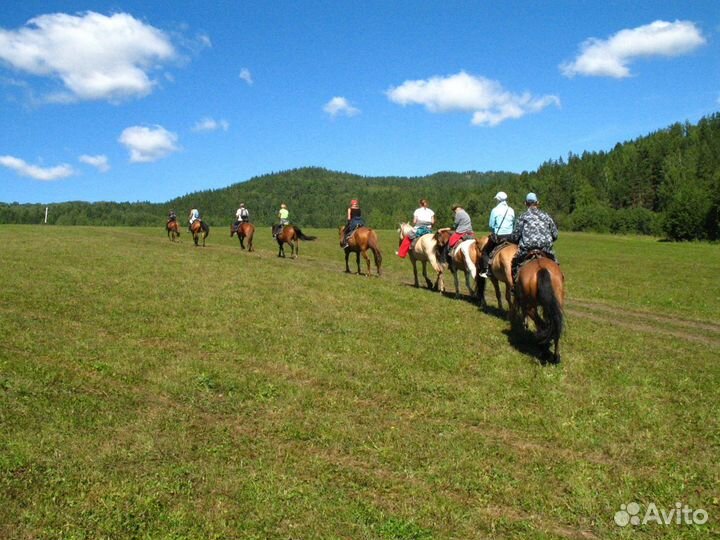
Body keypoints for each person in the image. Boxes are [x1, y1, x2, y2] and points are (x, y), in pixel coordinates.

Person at [511, 192, 559, 279]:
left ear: (525, 203)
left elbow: (515, 237)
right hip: (546, 250)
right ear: (537, 203)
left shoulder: (522, 217)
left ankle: (514, 288)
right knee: (557, 268)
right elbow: (555, 234)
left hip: (527, 250)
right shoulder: (546, 216)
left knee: (514, 266)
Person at [479, 191, 516, 278]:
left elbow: (491, 225)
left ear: (498, 200)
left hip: (499, 237)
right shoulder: (511, 210)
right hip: (510, 236)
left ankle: (487, 270)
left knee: (485, 251)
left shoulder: (495, 210)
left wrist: (494, 231)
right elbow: (514, 223)